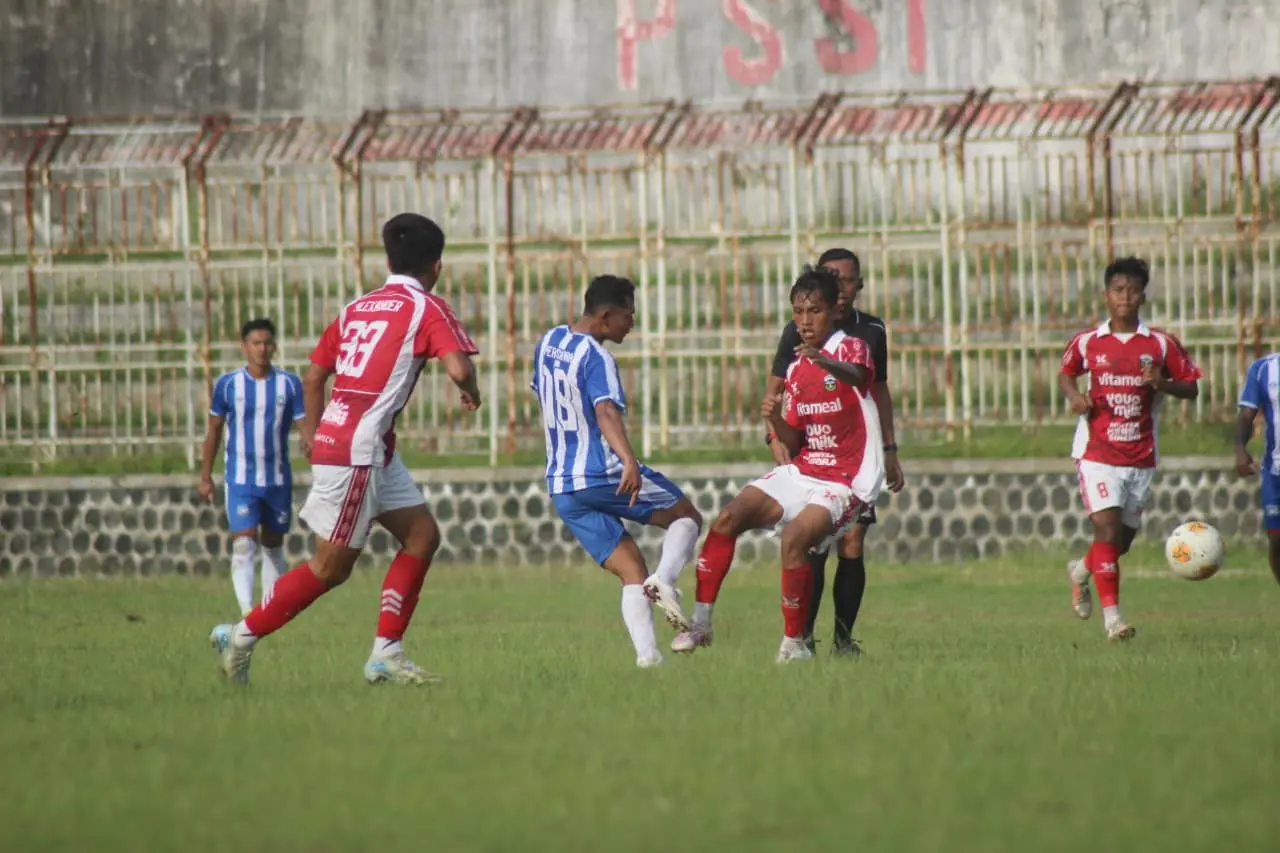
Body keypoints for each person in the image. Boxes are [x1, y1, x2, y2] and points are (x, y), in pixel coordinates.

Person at [209, 212, 481, 686]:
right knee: (330, 568)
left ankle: (387, 653)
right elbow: (458, 369)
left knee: (422, 536)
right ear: (436, 266)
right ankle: (241, 635)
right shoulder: (427, 307)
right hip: (359, 449)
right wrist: (472, 391)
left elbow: (315, 376)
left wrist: (313, 434)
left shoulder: (359, 307)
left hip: (365, 445)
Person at [671, 266, 884, 663]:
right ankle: (701, 624)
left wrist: (824, 361)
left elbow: (858, 376)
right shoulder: (796, 369)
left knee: (795, 540)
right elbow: (794, 439)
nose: (805, 321)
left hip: (845, 482)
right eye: (798, 312)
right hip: (805, 470)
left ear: (834, 311)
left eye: (814, 311)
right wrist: (775, 420)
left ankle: (794, 645)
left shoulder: (849, 347)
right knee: (727, 519)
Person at [531, 274, 703, 668]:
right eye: (629, 315)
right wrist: (627, 459)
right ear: (607, 315)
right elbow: (604, 410)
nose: (632, 323)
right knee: (687, 518)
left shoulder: (548, 342)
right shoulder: (597, 357)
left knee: (630, 569)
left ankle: (649, 660)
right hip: (600, 474)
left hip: (562, 486)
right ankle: (666, 582)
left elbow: (545, 394)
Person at [765, 248, 903, 657]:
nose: (841, 288)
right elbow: (774, 391)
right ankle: (802, 636)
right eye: (833, 278)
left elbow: (877, 389)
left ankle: (844, 639)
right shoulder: (800, 329)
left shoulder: (871, 331)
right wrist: (776, 441)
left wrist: (890, 449)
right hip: (812, 457)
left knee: (854, 542)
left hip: (856, 460)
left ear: (859, 285)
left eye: (847, 280)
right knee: (813, 546)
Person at [1059, 256, 1201, 641]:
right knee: (1105, 529)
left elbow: (1191, 386)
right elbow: (1067, 371)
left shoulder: (1160, 344)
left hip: (1140, 456)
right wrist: (1075, 397)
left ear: (1142, 296)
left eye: (1133, 290)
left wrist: (1161, 382)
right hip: (1097, 453)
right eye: (1118, 290)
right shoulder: (1089, 341)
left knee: (1119, 543)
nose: (1125, 297)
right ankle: (1114, 621)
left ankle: (1081, 571)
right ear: (1107, 295)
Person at [198, 318, 305, 616]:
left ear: (275, 347)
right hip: (240, 478)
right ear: (244, 347)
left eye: (267, 343)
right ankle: (248, 610)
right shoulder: (228, 384)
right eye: (256, 343)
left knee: (272, 543)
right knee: (244, 543)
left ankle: (270, 610)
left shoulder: (289, 383)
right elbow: (215, 430)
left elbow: (304, 427)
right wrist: (206, 475)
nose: (262, 349)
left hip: (277, 479)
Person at [1234, 351, 1280, 585]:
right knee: (1276, 542)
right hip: (1275, 473)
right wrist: (1240, 449)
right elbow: (1246, 416)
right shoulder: (1264, 368)